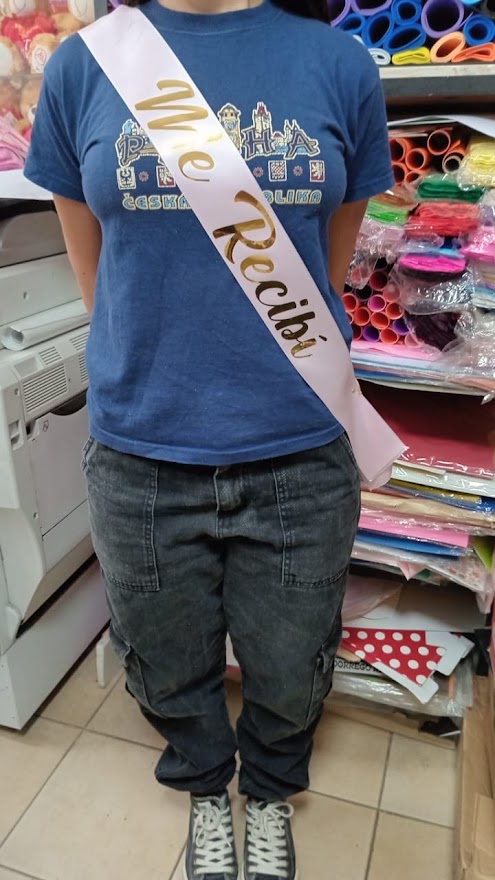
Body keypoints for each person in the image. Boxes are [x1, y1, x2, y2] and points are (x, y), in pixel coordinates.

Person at [25, 1, 393, 877]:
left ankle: (267, 791)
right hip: (141, 448)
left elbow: (322, 271)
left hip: (297, 444)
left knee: (292, 659)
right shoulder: (84, 65)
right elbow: (95, 272)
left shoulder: (339, 63)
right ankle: (202, 785)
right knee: (163, 657)